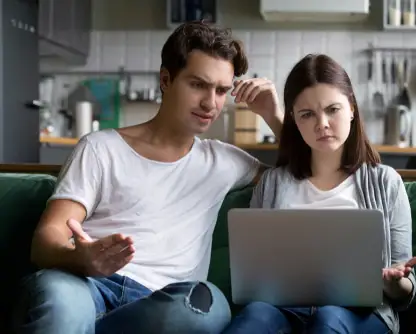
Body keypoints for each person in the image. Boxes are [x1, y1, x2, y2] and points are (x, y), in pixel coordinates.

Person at [10, 21, 284, 334]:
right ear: (166, 79)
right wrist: (78, 259)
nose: (211, 103)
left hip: (163, 304)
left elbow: (308, 177)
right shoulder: (101, 147)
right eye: (198, 85)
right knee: (59, 301)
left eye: (221, 90)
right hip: (85, 285)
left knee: (206, 309)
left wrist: (274, 117)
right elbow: (46, 239)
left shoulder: (224, 161)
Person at [221, 54, 416, 334]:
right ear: (293, 119)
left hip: (361, 314)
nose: (322, 124)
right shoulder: (272, 184)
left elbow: (405, 291)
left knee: (328, 321)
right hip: (283, 308)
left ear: (351, 108)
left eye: (333, 109)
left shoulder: (386, 183)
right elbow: (255, 276)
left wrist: (393, 281)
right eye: (307, 114)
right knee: (254, 317)